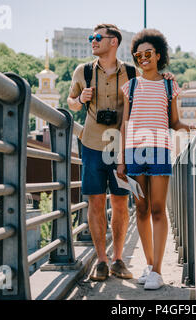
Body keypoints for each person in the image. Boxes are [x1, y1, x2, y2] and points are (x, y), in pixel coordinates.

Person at [67, 24, 175, 282]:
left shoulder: (130, 71)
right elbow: (70, 104)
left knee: (120, 203)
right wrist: (81, 98)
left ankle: (118, 260)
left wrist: (168, 78)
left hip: (122, 147)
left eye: (97, 38)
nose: (92, 41)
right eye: (91, 38)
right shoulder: (83, 71)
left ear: (113, 42)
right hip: (92, 145)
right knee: (94, 202)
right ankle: (102, 261)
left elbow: (151, 82)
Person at [118, 29, 196, 290]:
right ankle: (150, 265)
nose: (143, 58)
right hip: (133, 152)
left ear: (158, 55)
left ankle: (156, 271)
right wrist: (121, 160)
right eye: (138, 54)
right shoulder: (130, 86)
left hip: (160, 151)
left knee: (157, 209)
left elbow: (174, 121)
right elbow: (125, 125)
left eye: (148, 53)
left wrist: (191, 128)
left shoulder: (169, 85)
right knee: (141, 210)